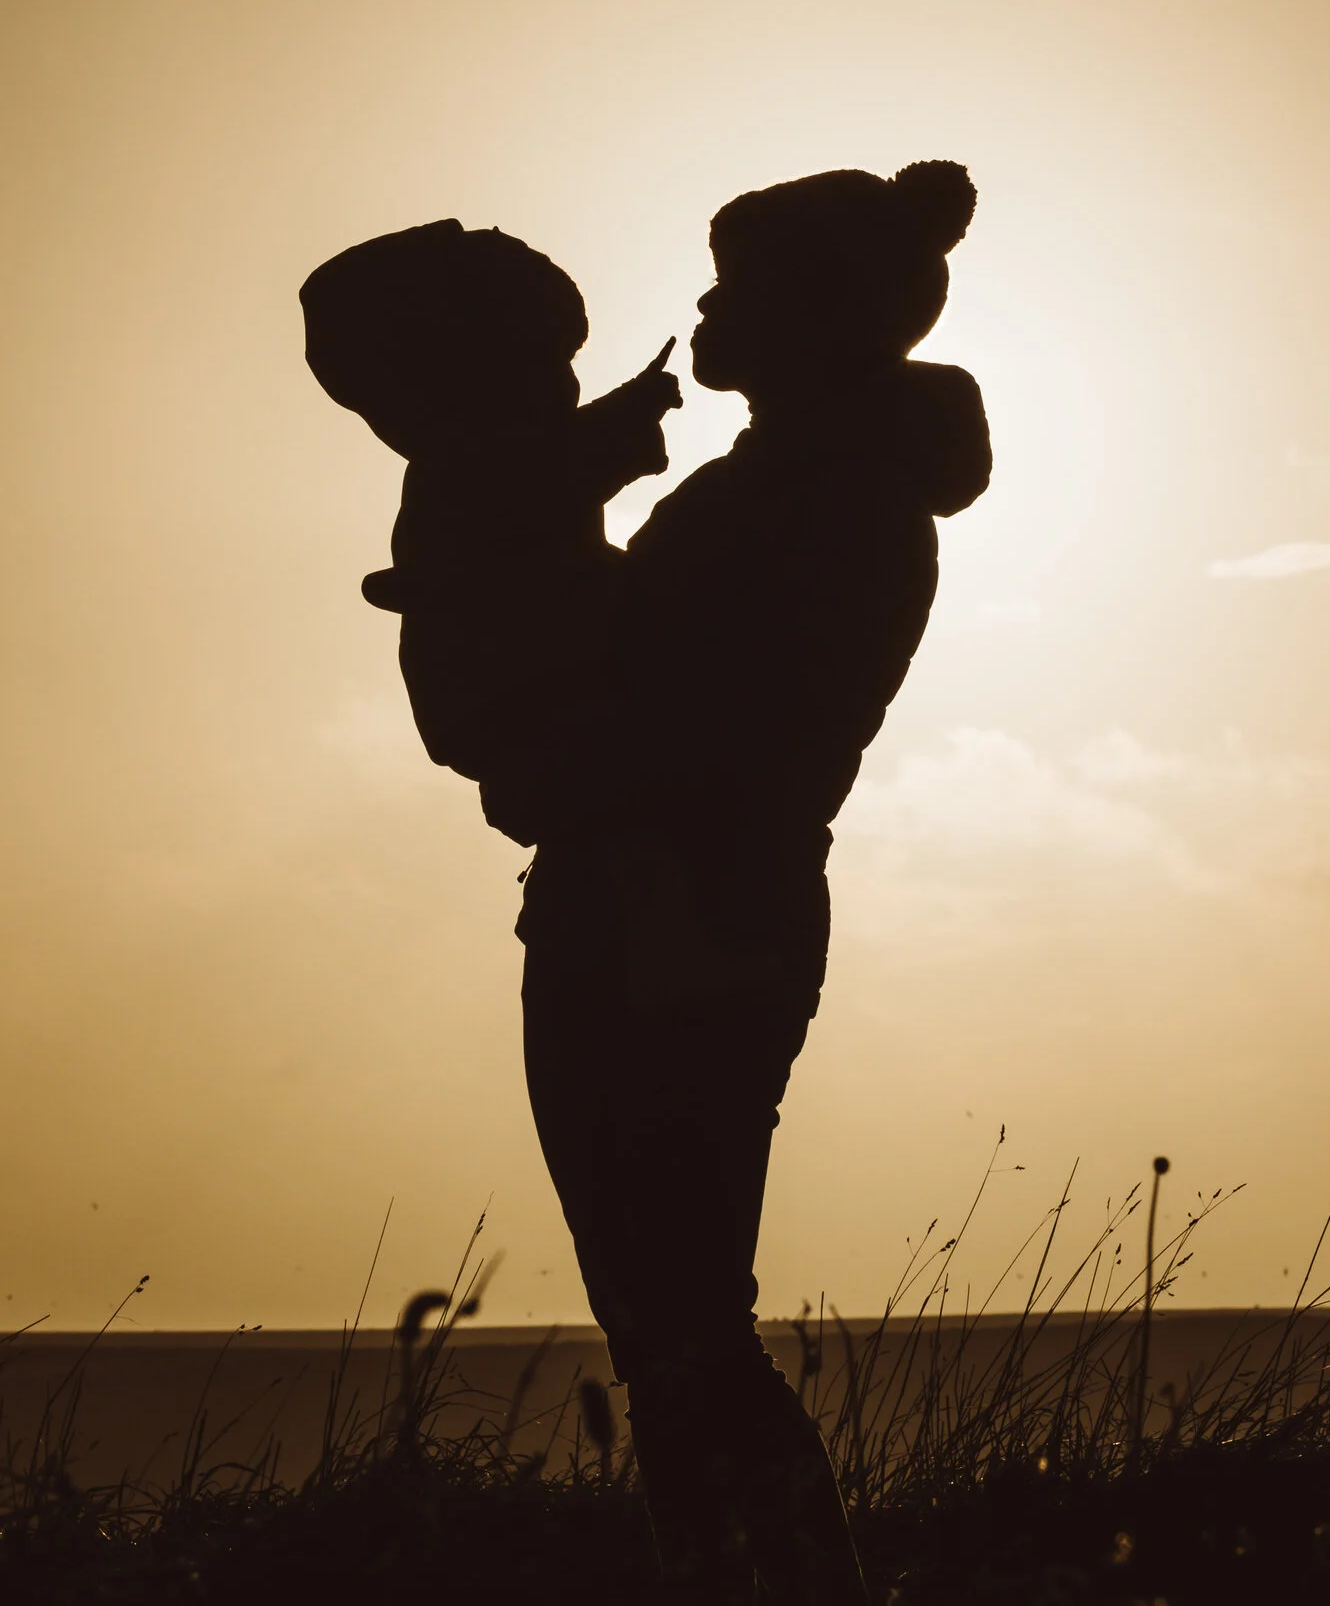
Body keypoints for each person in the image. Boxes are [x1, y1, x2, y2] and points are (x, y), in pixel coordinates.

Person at [504, 162, 992, 1601]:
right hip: (673, 902)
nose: (707, 309)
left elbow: (684, 717)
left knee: (684, 1335)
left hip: (679, 911)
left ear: (816, 316)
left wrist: (548, 532)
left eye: (740, 288)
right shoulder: (788, 489)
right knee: (672, 1332)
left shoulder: (826, 505)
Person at [299, 219, 679, 823]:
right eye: (548, 361)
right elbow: (556, 472)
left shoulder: (474, 463)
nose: (568, 385)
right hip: (529, 694)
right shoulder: (467, 468)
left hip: (520, 702)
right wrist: (635, 406)